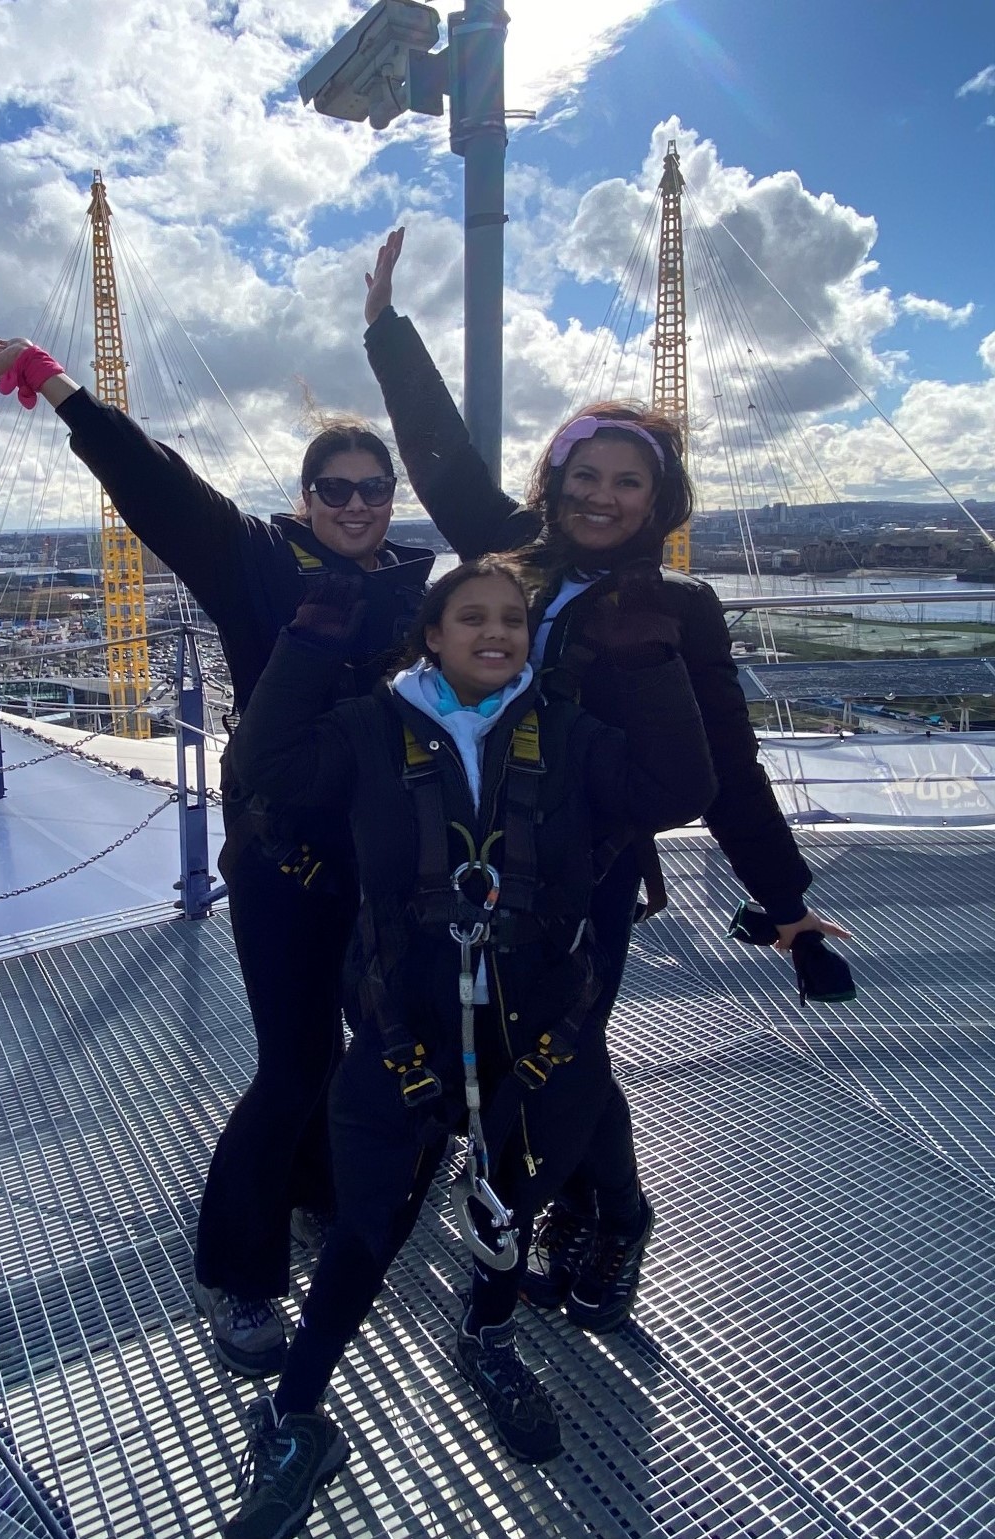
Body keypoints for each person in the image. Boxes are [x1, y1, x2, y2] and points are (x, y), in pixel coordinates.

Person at [360, 227, 851, 1332]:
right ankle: (565, 1202)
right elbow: (437, 456)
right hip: (475, 858)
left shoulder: (677, 611)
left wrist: (787, 906)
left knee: (566, 1056)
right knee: (512, 1047)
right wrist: (386, 329)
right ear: (558, 480)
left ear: (658, 498)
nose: (602, 497)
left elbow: (727, 766)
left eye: (627, 483)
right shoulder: (512, 554)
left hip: (584, 878)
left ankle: (617, 1217)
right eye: (586, 477)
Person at [219, 555, 716, 1537]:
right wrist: (308, 648)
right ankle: (296, 1413)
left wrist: (656, 663)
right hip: (403, 1040)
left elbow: (678, 786)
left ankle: (488, 1336)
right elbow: (262, 770)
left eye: (513, 620)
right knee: (365, 1227)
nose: (495, 631)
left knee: (513, 1202)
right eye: (470, 616)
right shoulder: (368, 730)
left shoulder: (570, 736)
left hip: (541, 1037)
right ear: (432, 637)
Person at [0, 336, 434, 1376]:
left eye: (372, 490)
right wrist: (59, 390)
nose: (356, 506)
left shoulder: (419, 590)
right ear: (306, 498)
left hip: (388, 856)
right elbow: (157, 486)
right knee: (294, 1062)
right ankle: (244, 1272)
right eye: (335, 490)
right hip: (288, 857)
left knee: (376, 1041)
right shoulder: (261, 565)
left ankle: (323, 1190)